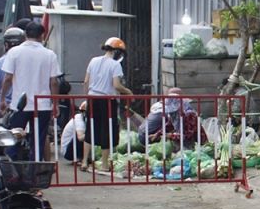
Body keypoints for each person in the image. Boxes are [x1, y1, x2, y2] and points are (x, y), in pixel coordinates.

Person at [0, 19, 60, 160]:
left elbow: (8, 78)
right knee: (38, 140)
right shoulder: (50, 55)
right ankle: (34, 170)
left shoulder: (14, 52)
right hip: (42, 105)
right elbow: (54, 82)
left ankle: (12, 168)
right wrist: (55, 103)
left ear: (25, 34)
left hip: (20, 104)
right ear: (42, 36)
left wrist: (2, 98)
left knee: (14, 138)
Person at [82, 37, 132, 172]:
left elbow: (86, 82)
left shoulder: (93, 60)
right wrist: (128, 92)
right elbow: (116, 85)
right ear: (116, 51)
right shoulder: (115, 65)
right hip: (107, 101)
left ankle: (84, 161)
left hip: (92, 98)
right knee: (107, 130)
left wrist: (87, 99)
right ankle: (104, 165)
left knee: (90, 129)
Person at [137, 87, 205, 146]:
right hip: (183, 142)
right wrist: (157, 134)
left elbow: (187, 136)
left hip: (196, 144)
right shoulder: (174, 114)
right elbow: (168, 125)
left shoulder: (189, 115)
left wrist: (168, 136)